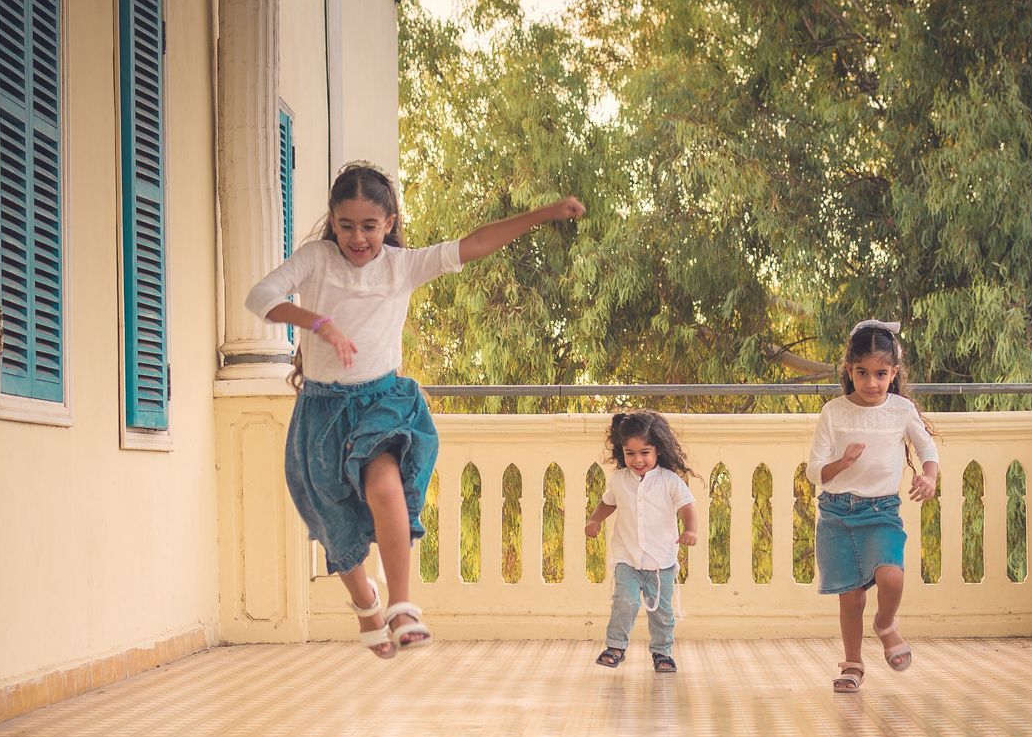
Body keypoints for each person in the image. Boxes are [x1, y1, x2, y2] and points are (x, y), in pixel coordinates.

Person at [247, 163, 585, 658]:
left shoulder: (402, 266)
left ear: (388, 222)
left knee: (386, 488)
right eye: (346, 225)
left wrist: (545, 213)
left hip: (381, 401)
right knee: (334, 522)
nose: (357, 237)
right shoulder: (316, 260)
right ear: (333, 222)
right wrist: (317, 321)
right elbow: (261, 296)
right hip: (322, 412)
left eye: (369, 226)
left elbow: (476, 243)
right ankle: (367, 604)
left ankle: (403, 607)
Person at [808, 320, 940, 693]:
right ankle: (852, 664)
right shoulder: (833, 412)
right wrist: (842, 463)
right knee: (851, 597)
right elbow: (814, 471)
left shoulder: (900, 410)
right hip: (836, 514)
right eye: (862, 373)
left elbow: (926, 448)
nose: (870, 383)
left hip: (882, 511)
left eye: (881, 374)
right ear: (848, 370)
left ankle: (886, 623)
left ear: (894, 373)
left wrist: (928, 476)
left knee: (892, 575)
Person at [584, 411, 698, 674]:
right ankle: (615, 646)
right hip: (628, 558)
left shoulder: (669, 481)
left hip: (661, 562)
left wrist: (691, 529)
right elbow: (607, 503)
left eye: (644, 452)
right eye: (630, 453)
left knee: (662, 612)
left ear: (657, 449)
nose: (637, 460)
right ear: (622, 452)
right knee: (624, 601)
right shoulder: (619, 480)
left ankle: (662, 652)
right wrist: (594, 520)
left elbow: (687, 506)